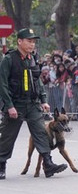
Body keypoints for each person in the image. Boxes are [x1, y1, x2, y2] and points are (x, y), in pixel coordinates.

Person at [0, 28, 68, 179]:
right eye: (29, 41)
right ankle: (1, 165)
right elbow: (2, 84)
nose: (32, 44)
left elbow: (37, 81)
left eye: (33, 42)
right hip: (15, 104)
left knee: (41, 133)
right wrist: (9, 105)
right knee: (7, 136)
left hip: (32, 103)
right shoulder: (9, 59)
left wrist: (43, 100)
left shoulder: (33, 58)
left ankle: (48, 164)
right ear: (19, 41)